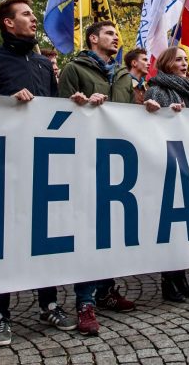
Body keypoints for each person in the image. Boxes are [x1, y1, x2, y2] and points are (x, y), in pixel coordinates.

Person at [0, 0, 77, 345]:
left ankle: (50, 303)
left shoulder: (45, 65)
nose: (33, 20)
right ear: (7, 23)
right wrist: (7, 102)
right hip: (3, 162)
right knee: (4, 239)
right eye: (26, 15)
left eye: (32, 14)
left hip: (40, 163)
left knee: (43, 237)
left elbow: (54, 108)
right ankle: (0, 313)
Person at [58, 20, 136, 335]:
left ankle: (106, 290)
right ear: (93, 38)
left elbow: (130, 113)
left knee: (111, 229)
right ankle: (85, 302)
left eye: (118, 35)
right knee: (89, 231)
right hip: (84, 160)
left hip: (116, 160)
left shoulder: (123, 76)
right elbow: (58, 112)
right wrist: (78, 105)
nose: (116, 38)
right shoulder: (74, 69)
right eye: (109, 34)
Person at [143, 46, 189, 301]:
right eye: (179, 59)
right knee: (174, 227)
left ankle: (181, 277)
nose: (184, 63)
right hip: (171, 162)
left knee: (188, 224)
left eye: (186, 59)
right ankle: (169, 282)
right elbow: (153, 123)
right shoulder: (157, 89)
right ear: (168, 63)